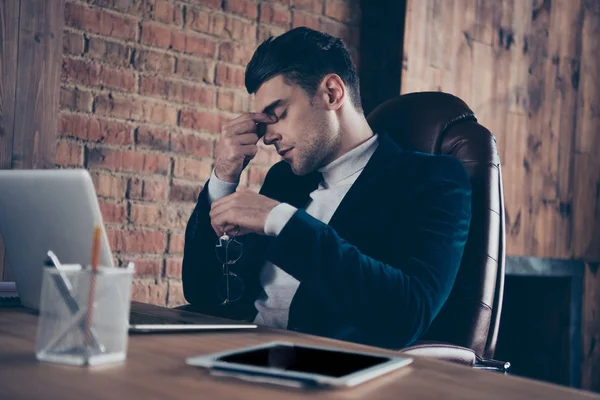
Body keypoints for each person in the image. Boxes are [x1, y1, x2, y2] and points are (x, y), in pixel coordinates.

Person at [182, 27, 472, 349]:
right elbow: (202, 292)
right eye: (264, 123)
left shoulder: (433, 180)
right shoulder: (284, 180)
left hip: (325, 374)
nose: (267, 137)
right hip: (236, 354)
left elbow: (406, 314)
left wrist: (281, 220)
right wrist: (223, 178)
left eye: (279, 114)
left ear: (332, 92)